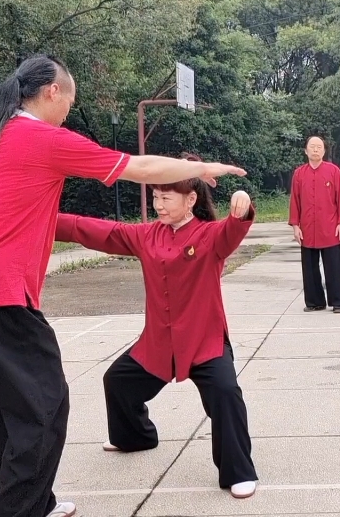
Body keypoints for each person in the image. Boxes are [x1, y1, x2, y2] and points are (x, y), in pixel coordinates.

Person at [0, 54, 246, 517]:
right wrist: (200, 169)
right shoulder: (42, 138)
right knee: (44, 412)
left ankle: (37, 502)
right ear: (53, 91)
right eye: (69, 102)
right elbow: (137, 167)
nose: (68, 114)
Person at [54, 161, 258, 499]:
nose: (159, 205)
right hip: (159, 344)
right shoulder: (146, 235)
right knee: (117, 381)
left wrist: (241, 202)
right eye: (156, 197)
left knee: (225, 393)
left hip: (204, 342)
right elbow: (94, 230)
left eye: (166, 198)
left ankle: (237, 471)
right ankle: (134, 437)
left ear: (191, 199)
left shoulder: (210, 236)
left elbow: (235, 226)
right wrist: (44, 218)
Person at [289, 136, 340, 313]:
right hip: (307, 227)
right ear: (306, 150)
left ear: (324, 151)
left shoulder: (333, 171)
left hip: (330, 226)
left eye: (319, 147)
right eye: (312, 147)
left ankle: (337, 301)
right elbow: (295, 200)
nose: (315, 150)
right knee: (309, 267)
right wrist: (295, 225)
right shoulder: (299, 174)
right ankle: (315, 301)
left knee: (334, 266)